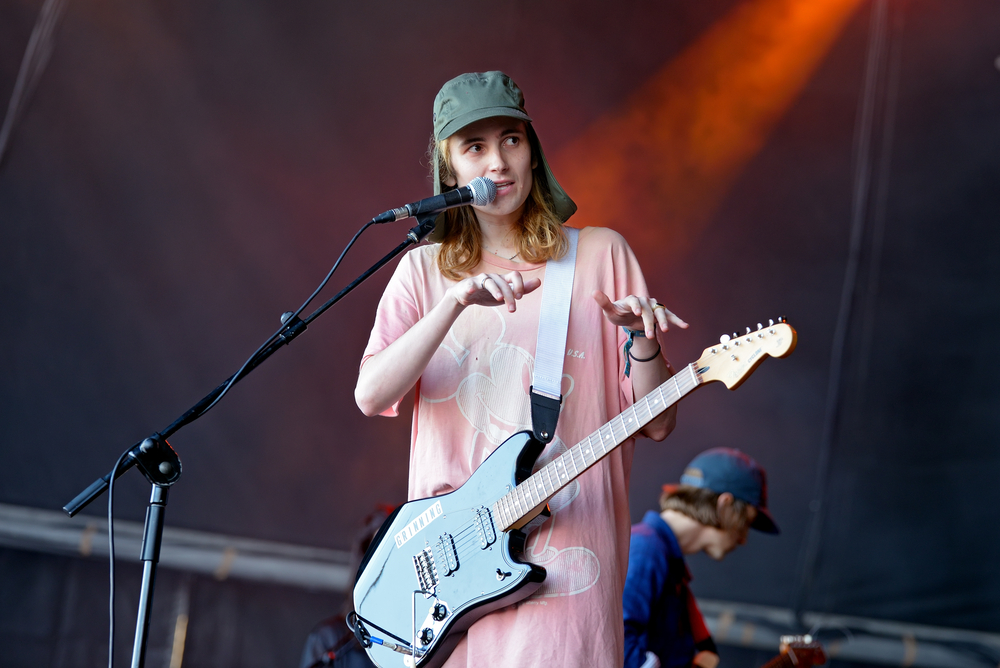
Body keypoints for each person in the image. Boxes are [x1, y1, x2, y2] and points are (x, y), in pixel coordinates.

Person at [355, 71, 686, 668]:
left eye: (511, 139)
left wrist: (641, 339)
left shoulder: (601, 255)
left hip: (567, 567)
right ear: (449, 170)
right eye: (474, 147)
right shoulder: (422, 272)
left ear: (534, 151)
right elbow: (371, 393)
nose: (498, 162)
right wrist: (453, 302)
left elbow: (657, 424)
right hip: (448, 580)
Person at [622, 448, 780, 668]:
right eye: (746, 522)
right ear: (724, 505)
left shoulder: (664, 557)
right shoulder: (645, 549)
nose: (743, 539)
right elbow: (617, 638)